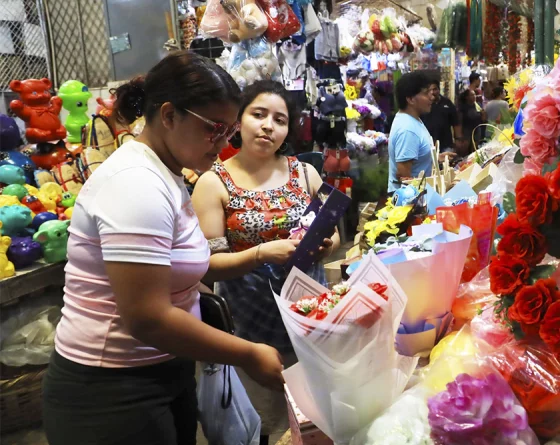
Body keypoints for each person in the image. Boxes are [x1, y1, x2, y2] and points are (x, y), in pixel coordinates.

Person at [42, 52, 285, 445]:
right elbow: (147, 318)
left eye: (229, 131)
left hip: (160, 370)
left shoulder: (167, 172)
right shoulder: (136, 183)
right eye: (215, 130)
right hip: (111, 392)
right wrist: (247, 354)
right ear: (170, 115)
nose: (225, 142)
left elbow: (185, 267)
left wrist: (259, 255)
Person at [192, 80, 339, 445]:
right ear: (238, 120)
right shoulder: (213, 182)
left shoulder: (305, 173)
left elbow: (333, 234)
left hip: (308, 315)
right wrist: (260, 253)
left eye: (280, 119)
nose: (268, 126)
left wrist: (325, 245)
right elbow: (208, 265)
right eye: (258, 115)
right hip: (249, 324)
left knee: (316, 416)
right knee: (259, 423)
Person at [387, 72, 436, 192]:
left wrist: (435, 157)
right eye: (426, 93)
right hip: (410, 202)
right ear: (410, 99)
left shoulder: (413, 120)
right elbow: (403, 175)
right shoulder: (408, 129)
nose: (432, 97)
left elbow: (415, 156)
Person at [421, 81, 463, 155]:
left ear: (439, 89)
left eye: (434, 89)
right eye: (429, 90)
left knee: (446, 163)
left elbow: (456, 122)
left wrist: (458, 139)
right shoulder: (425, 104)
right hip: (429, 144)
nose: (432, 92)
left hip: (446, 144)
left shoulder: (447, 103)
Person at [458, 89, 486, 154]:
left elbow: (483, 119)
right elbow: (460, 120)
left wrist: (483, 113)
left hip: (477, 129)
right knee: (465, 150)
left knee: (475, 149)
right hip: (466, 130)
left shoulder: (477, 105)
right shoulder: (463, 107)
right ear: (466, 97)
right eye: (472, 95)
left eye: (474, 95)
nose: (474, 96)